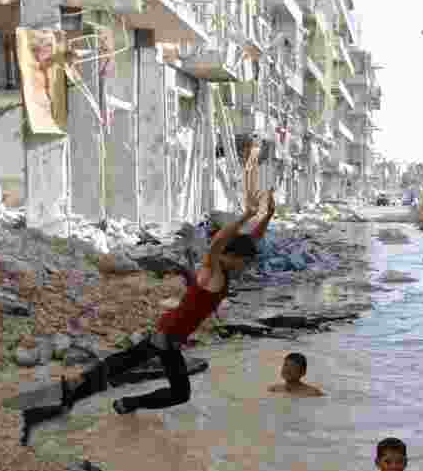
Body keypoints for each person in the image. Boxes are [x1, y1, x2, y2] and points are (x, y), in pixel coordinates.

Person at [58, 142, 277, 416]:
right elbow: (221, 241)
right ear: (231, 256)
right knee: (175, 390)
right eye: (243, 262)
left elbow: (251, 240)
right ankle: (122, 401)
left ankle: (90, 389)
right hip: (169, 335)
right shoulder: (212, 269)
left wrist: (267, 216)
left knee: (128, 362)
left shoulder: (225, 267)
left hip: (170, 333)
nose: (245, 267)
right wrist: (245, 214)